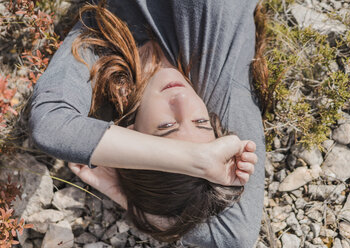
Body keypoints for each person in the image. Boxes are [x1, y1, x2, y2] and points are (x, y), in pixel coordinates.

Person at [29, 0, 265, 247]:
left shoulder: (102, 40)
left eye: (166, 127)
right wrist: (200, 161)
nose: (183, 100)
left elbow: (49, 125)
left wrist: (123, 193)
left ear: (130, 135)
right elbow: (235, 238)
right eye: (201, 122)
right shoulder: (216, 68)